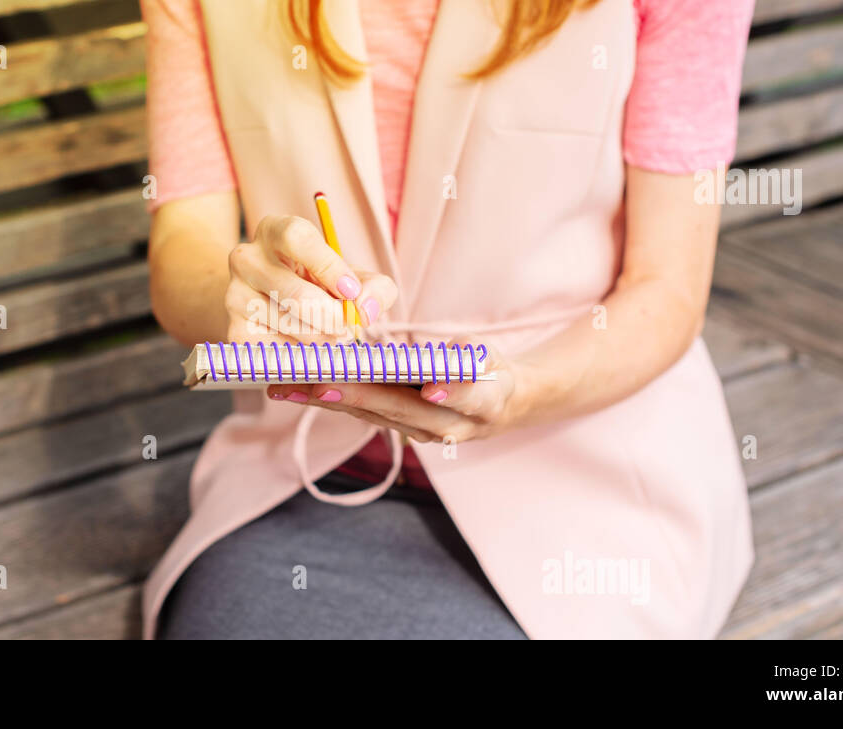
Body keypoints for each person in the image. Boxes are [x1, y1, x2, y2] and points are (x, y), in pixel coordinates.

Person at [140, 0, 757, 639]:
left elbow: (667, 290)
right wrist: (247, 298)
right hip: (303, 478)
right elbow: (185, 245)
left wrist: (520, 391)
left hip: (580, 485)